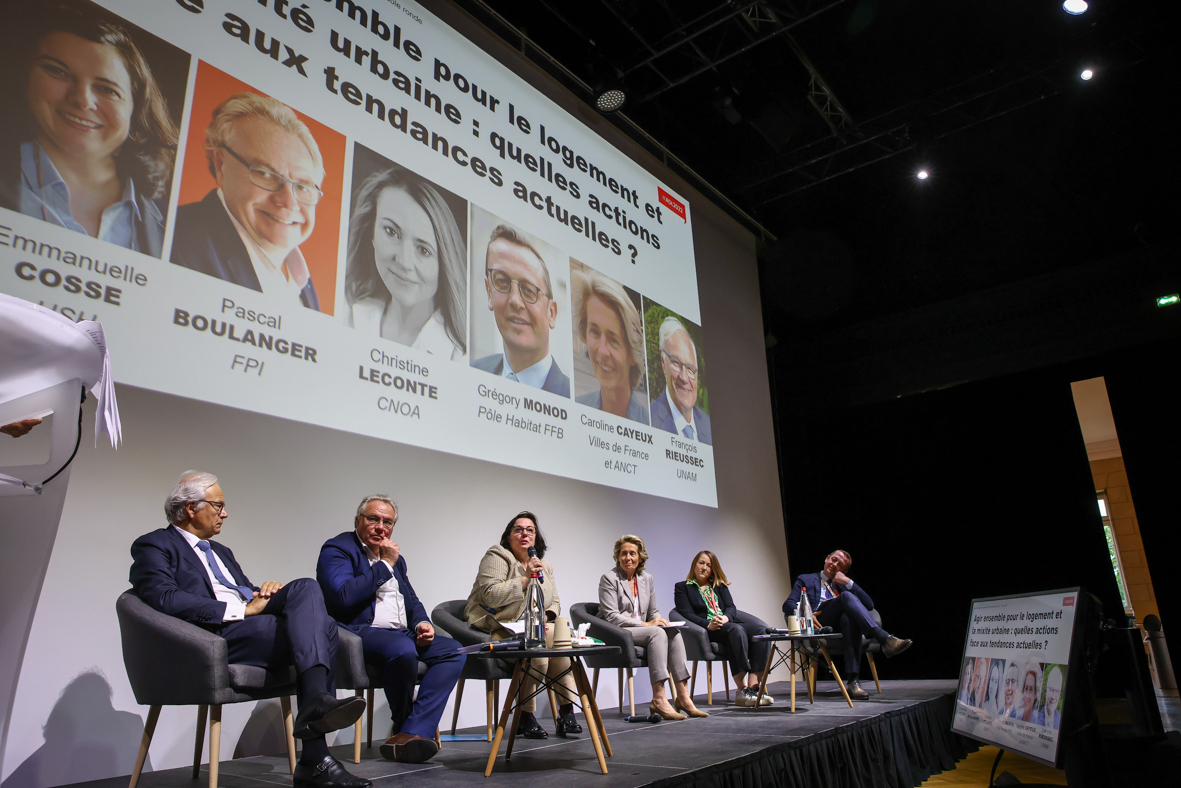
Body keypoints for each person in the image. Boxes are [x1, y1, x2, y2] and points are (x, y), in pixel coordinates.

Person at [129, 472, 369, 788]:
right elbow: (164, 597)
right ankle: (315, 755)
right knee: (320, 626)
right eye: (218, 506)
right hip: (212, 638)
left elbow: (238, 590)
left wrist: (261, 593)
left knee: (307, 594)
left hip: (249, 625)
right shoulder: (154, 545)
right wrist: (243, 609)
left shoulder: (221, 552)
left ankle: (316, 720)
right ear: (190, 508)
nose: (224, 513)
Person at [0, 1, 177, 256]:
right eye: (58, 71)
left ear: (136, 110)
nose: (82, 99)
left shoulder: (174, 228)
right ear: (25, 79)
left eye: (107, 89)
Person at [316, 495, 464, 764]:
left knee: (454, 651)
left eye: (388, 522)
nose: (380, 527)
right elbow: (343, 596)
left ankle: (413, 731)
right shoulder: (337, 549)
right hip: (359, 631)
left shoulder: (398, 559)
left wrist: (422, 623)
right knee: (403, 650)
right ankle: (406, 728)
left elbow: (411, 600)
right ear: (359, 520)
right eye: (373, 519)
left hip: (400, 633)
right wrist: (385, 565)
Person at [170, 92, 324, 311]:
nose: (288, 202)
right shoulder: (175, 242)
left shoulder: (302, 280)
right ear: (220, 164)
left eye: (302, 186)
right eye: (265, 174)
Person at [463, 511, 582, 738]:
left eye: (530, 530)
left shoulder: (543, 564)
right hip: (501, 628)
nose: (524, 534)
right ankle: (524, 716)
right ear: (509, 537)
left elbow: (554, 601)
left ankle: (566, 713)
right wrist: (525, 578)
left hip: (533, 626)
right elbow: (491, 596)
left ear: (536, 538)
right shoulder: (497, 556)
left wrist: (545, 619)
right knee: (537, 650)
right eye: (518, 529)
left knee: (561, 645)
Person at [343, 164, 467, 359]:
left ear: (444, 265)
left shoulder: (460, 355)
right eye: (391, 232)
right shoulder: (347, 315)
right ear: (371, 232)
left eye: (424, 250)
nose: (404, 262)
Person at [598, 536, 706, 719]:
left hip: (641, 630)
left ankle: (683, 697)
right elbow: (611, 616)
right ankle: (659, 698)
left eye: (632, 553)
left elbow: (653, 611)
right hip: (617, 632)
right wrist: (645, 624)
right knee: (656, 634)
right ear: (618, 557)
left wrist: (660, 620)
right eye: (623, 553)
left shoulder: (646, 579)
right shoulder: (609, 579)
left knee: (673, 632)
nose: (628, 558)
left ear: (640, 557)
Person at [781, 549, 912, 700]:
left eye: (840, 564)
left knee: (849, 615)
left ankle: (853, 682)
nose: (835, 564)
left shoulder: (843, 586)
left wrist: (848, 582)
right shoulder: (806, 579)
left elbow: (869, 605)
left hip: (842, 623)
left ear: (843, 571)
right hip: (820, 621)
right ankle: (884, 639)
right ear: (827, 558)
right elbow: (788, 605)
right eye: (834, 559)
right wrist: (806, 613)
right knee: (846, 597)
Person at [471, 225, 570, 395]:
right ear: (489, 292)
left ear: (551, 313)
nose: (515, 301)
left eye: (529, 291)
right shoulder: (471, 375)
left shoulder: (570, 397)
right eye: (502, 282)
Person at [673, 550, 772, 707]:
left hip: (727, 624)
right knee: (736, 631)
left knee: (762, 632)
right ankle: (742, 690)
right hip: (707, 630)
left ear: (713, 570)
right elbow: (686, 614)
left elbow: (731, 607)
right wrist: (708, 624)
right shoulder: (682, 587)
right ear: (694, 565)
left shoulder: (718, 586)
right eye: (701, 563)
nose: (704, 567)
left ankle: (755, 688)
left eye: (708, 565)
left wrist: (726, 617)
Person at [571, 269, 649, 424]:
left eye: (614, 340)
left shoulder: (648, 424)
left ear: (632, 354)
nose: (602, 351)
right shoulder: (577, 407)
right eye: (594, 331)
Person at [649, 317, 712, 445]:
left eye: (690, 369)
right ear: (663, 361)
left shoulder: (708, 425)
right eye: (676, 363)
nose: (684, 378)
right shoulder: (649, 419)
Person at [1037, 665, 1064, 730]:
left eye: (1057, 691)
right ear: (1046, 690)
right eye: (1051, 690)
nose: (1053, 697)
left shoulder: (1061, 718)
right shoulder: (1036, 718)